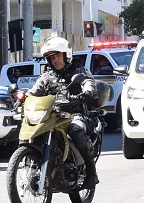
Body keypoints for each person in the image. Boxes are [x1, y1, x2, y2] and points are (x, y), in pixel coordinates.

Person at [26, 36, 99, 190]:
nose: (55, 60)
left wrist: (87, 91)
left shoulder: (78, 70)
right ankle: (34, 166)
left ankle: (92, 172)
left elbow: (88, 82)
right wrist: (23, 98)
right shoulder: (46, 76)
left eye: (57, 56)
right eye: (51, 58)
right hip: (53, 116)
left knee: (76, 129)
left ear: (66, 55)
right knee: (32, 130)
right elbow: (34, 92)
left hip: (76, 114)